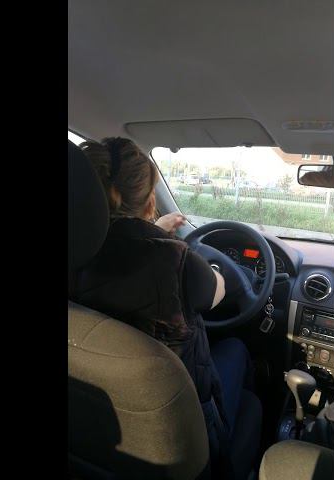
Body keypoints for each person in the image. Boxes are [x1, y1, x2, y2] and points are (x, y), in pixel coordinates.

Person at [74, 137, 256, 474]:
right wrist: (216, 268)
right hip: (181, 421)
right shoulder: (176, 260)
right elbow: (219, 289)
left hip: (96, 419)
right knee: (238, 351)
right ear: (149, 202)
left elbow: (120, 244)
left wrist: (156, 231)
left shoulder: (77, 252)